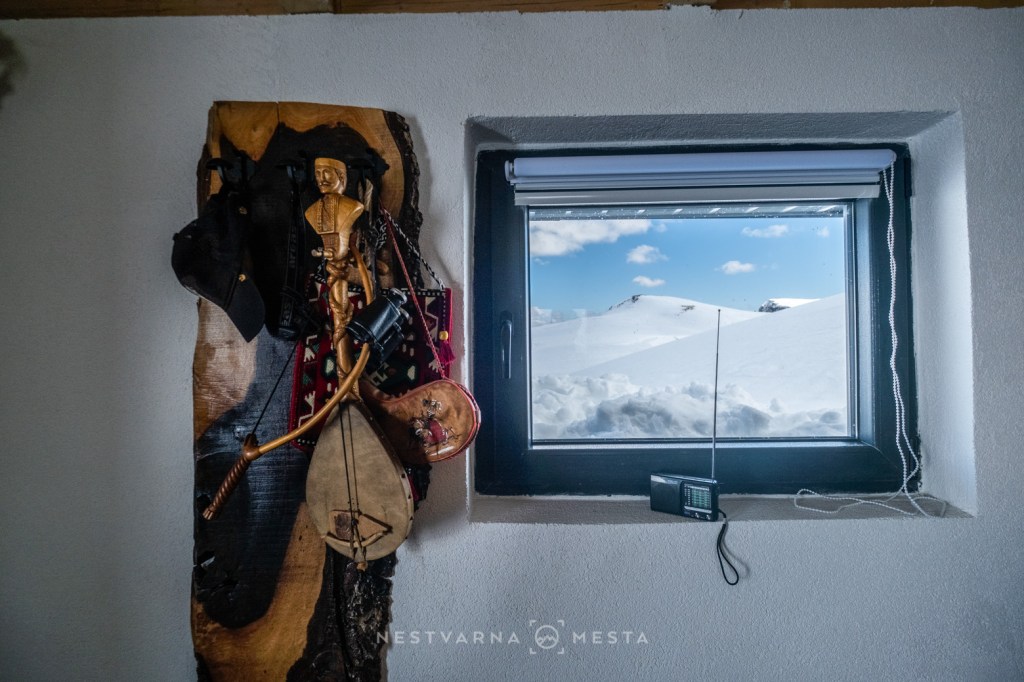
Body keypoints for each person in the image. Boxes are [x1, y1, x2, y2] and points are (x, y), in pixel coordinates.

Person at [304, 157, 373, 384]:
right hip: (334, 269)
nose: (321, 178)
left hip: (342, 267)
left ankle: (349, 388)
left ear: (341, 177)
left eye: (327, 172)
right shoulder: (312, 211)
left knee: (342, 319)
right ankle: (346, 388)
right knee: (337, 320)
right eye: (317, 173)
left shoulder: (353, 207)